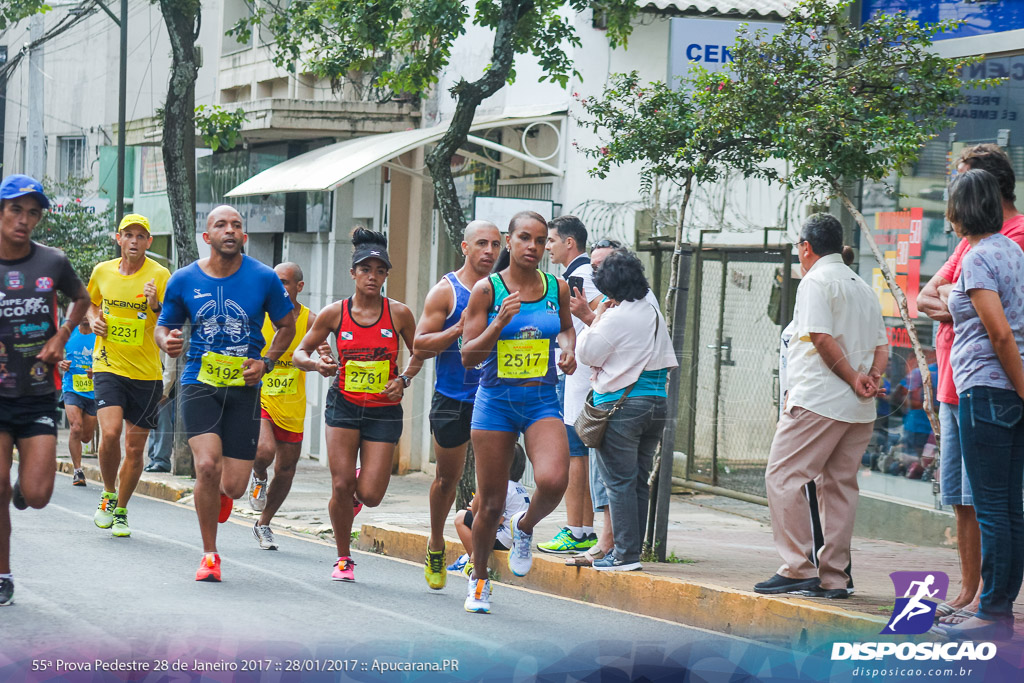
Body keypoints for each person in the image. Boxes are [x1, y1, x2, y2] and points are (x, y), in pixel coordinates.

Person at [156, 205, 296, 582]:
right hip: (200, 383)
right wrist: (167, 340)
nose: (230, 230)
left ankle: (217, 495)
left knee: (232, 485)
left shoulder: (264, 278)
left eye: (237, 225)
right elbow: (164, 325)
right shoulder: (183, 279)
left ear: (244, 236)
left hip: (244, 389)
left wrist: (266, 361)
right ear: (208, 237)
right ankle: (209, 555)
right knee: (206, 466)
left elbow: (287, 325)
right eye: (221, 224)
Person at [917, 143, 1024, 625]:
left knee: (991, 507)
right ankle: (992, 604)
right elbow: (929, 297)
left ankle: (992, 608)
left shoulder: (979, 258)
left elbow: (1000, 333)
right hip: (1001, 389)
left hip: (985, 389)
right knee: (1007, 506)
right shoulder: (1007, 251)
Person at [756, 213, 887, 598]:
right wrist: (870, 378)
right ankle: (834, 577)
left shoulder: (815, 281)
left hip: (819, 399)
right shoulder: (860, 283)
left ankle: (798, 567)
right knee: (840, 487)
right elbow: (883, 344)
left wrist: (851, 377)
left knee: (782, 477)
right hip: (858, 406)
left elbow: (820, 336)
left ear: (806, 247)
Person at [460, 210, 576, 613]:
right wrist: (498, 324)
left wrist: (568, 348)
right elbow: (467, 357)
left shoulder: (555, 287)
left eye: (541, 240)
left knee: (554, 479)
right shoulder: (487, 291)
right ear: (508, 242)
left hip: (540, 399)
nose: (533, 247)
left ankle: (523, 527)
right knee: (490, 503)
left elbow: (565, 327)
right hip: (495, 402)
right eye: (524, 238)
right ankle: (478, 580)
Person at [291, 227, 421, 583]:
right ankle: (343, 557)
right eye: (366, 269)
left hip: (383, 410)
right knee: (340, 485)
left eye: (380, 271)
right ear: (353, 273)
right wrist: (318, 364)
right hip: (344, 406)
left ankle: (358, 484)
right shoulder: (335, 313)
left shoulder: (400, 315)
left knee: (371, 495)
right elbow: (301, 352)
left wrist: (404, 379)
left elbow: (420, 351)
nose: (373, 277)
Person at [0, 174, 91, 606]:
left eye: (32, 212)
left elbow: (82, 295)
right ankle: (3, 573)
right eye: (16, 209)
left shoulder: (52, 262)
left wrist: (62, 336)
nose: (24, 220)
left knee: (36, 497)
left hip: (37, 391)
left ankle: (22, 488)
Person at [575, 250, 677, 571]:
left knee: (617, 482)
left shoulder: (618, 316)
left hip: (621, 406)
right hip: (656, 404)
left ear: (611, 289)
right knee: (637, 481)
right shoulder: (651, 310)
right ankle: (630, 550)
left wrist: (600, 315)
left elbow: (586, 351)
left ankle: (624, 555)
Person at [413, 220, 502, 589]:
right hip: (454, 397)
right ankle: (436, 542)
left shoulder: (509, 289)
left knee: (494, 485)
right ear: (464, 248)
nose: (489, 252)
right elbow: (420, 345)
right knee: (447, 478)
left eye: (496, 245)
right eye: (481, 244)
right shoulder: (446, 291)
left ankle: (475, 555)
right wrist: (457, 328)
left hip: (496, 397)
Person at [86, 213, 170, 537]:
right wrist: (94, 319)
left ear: (149, 241)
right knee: (109, 434)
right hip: (108, 363)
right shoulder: (102, 271)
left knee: (135, 450)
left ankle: (121, 509)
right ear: (118, 238)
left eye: (141, 236)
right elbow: (92, 303)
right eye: (128, 235)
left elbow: (171, 318)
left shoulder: (161, 275)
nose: (134, 241)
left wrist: (154, 304)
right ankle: (108, 493)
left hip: (147, 373)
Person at [538, 216, 602, 555]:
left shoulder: (581, 275)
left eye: (550, 240)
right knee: (576, 455)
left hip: (577, 378)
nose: (546, 247)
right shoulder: (572, 275)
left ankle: (578, 531)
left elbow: (603, 309)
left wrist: (590, 323)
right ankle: (582, 528)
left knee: (575, 454)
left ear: (569, 243)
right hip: (574, 375)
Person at [247, 262, 319, 551]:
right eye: (276, 282)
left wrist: (322, 359)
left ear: (299, 287)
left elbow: (321, 349)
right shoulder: (259, 314)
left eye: (286, 283)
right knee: (264, 451)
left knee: (287, 468)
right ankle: (259, 475)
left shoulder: (310, 320)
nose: (281, 288)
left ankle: (264, 523)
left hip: (292, 404)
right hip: (260, 396)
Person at [565, 239, 622, 567]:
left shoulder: (627, 305)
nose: (595, 273)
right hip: (604, 394)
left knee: (609, 474)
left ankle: (607, 542)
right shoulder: (612, 305)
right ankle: (604, 540)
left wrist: (588, 314)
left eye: (601, 267)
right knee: (605, 474)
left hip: (620, 399)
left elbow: (595, 347)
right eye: (595, 267)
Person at [448, 444, 530, 578]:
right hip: (515, 538)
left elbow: (497, 519)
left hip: (504, 539)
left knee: (460, 518)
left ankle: (473, 562)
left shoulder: (502, 487)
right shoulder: (518, 487)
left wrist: (477, 509)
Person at [59, 317, 97, 486]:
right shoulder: (68, 331)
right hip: (71, 388)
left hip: (93, 390)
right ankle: (78, 471)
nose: (85, 317)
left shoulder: (99, 334)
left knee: (86, 437)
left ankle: (79, 463)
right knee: (75, 428)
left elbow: (110, 358)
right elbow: (55, 354)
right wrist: (61, 363)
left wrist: (97, 370)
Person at [144, 353, 176, 473]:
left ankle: (162, 460)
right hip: (153, 382)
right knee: (154, 421)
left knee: (163, 423)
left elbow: (170, 366)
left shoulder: (168, 334)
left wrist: (164, 391)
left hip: (164, 387)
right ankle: (154, 458)